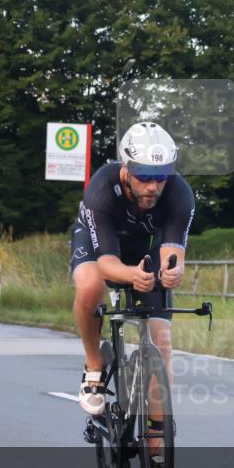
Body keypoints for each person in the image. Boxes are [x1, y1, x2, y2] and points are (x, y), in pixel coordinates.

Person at [70, 122, 195, 432]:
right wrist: (131, 276)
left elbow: (172, 249)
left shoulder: (180, 194)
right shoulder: (101, 189)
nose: (153, 187)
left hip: (143, 249)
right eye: (144, 177)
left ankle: (157, 433)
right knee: (89, 286)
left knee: (162, 340)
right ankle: (94, 366)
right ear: (126, 169)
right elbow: (107, 262)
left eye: (160, 177)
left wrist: (173, 269)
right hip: (99, 243)